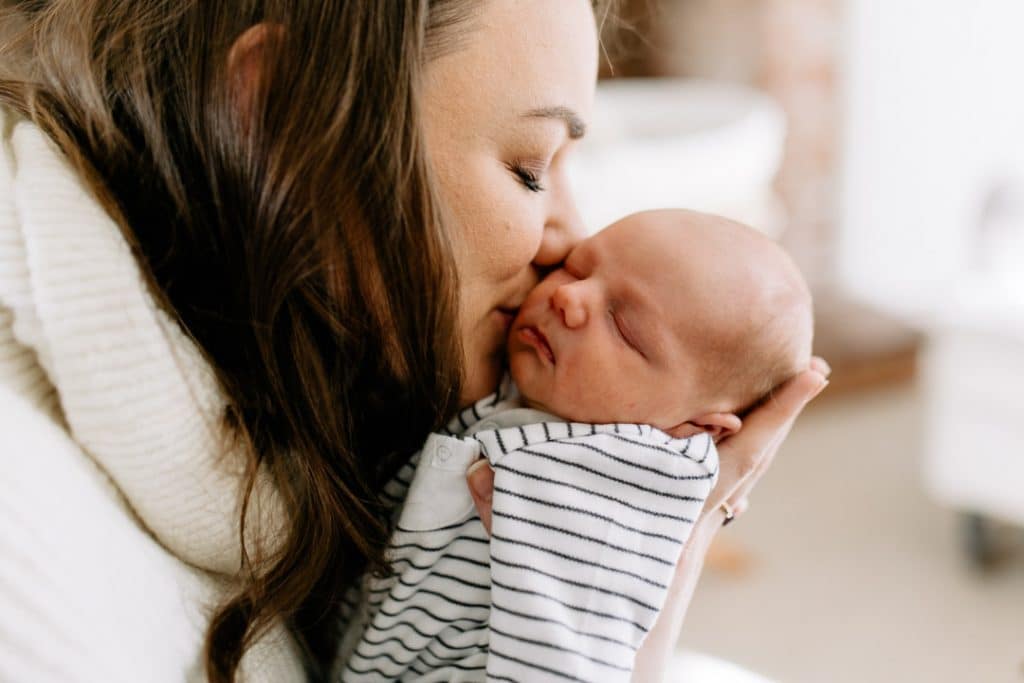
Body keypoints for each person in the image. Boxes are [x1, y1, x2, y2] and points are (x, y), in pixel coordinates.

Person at [0, 2, 829, 682]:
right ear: (283, 115)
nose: (570, 241)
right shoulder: (35, 568)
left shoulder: (305, 406)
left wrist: (670, 557)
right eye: (530, 167)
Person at [335, 209, 813, 681]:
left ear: (698, 428)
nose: (568, 296)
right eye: (577, 267)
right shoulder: (536, 384)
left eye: (624, 327)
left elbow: (570, 665)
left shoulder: (618, 490)